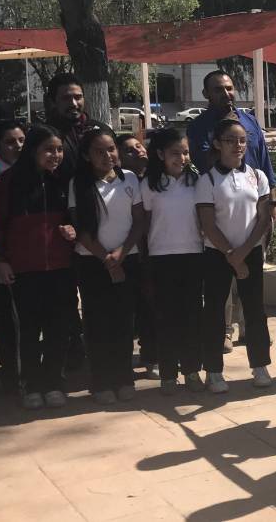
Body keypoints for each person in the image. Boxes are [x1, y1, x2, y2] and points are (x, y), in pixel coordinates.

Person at [186, 71, 276, 353]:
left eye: (229, 88)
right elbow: (203, 165)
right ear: (206, 94)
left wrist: (271, 207)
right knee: (221, 281)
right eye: (218, 90)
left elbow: (264, 161)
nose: (225, 94)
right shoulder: (199, 127)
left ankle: (249, 328)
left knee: (251, 277)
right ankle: (223, 331)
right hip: (220, 209)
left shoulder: (250, 122)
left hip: (254, 211)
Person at [0, 124, 78, 410]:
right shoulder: (9, 182)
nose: (55, 155)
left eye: (59, 149)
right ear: (33, 151)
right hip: (23, 269)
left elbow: (77, 218)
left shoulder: (62, 181)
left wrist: (71, 230)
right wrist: (0, 259)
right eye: (48, 150)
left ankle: (54, 382)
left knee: (58, 328)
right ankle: (30, 383)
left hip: (61, 267)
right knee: (27, 330)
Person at [195, 118, 275, 393]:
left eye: (242, 140)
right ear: (217, 144)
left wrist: (243, 253)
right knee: (214, 311)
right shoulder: (207, 180)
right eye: (230, 140)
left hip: (250, 252)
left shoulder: (257, 176)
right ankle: (214, 371)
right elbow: (207, 224)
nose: (238, 146)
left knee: (255, 310)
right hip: (217, 254)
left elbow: (263, 218)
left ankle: (260, 365)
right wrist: (231, 254)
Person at [70, 129, 146, 405]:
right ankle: (101, 381)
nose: (108, 156)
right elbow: (82, 230)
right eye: (99, 152)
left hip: (127, 258)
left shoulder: (131, 180)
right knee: (98, 322)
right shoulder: (78, 184)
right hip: (93, 262)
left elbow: (139, 221)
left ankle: (124, 377)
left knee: (124, 321)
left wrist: (121, 254)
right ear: (86, 156)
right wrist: (108, 260)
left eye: (111, 149)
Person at [43, 72, 110, 372]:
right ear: (53, 101)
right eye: (66, 98)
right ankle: (72, 346)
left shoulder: (98, 129)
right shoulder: (45, 133)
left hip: (100, 221)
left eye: (77, 96)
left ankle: (104, 345)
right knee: (65, 292)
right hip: (61, 225)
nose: (73, 103)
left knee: (100, 288)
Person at [141, 129, 206, 395]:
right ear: (160, 155)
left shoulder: (197, 181)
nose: (181, 157)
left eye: (185, 152)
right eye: (174, 153)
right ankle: (168, 374)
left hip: (193, 255)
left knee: (192, 316)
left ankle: (192, 370)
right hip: (161, 258)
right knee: (167, 318)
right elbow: (144, 225)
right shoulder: (149, 184)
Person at [0, 118, 27, 391]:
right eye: (10, 142)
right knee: (6, 321)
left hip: (32, 260)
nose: (17, 147)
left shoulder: (34, 173)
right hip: (2, 260)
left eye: (22, 140)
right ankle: (12, 374)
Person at [116, 133, 158, 379]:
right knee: (133, 306)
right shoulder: (123, 183)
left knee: (153, 306)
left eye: (139, 146)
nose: (138, 152)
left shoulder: (156, 179)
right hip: (131, 252)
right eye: (129, 151)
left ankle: (153, 354)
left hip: (157, 251)